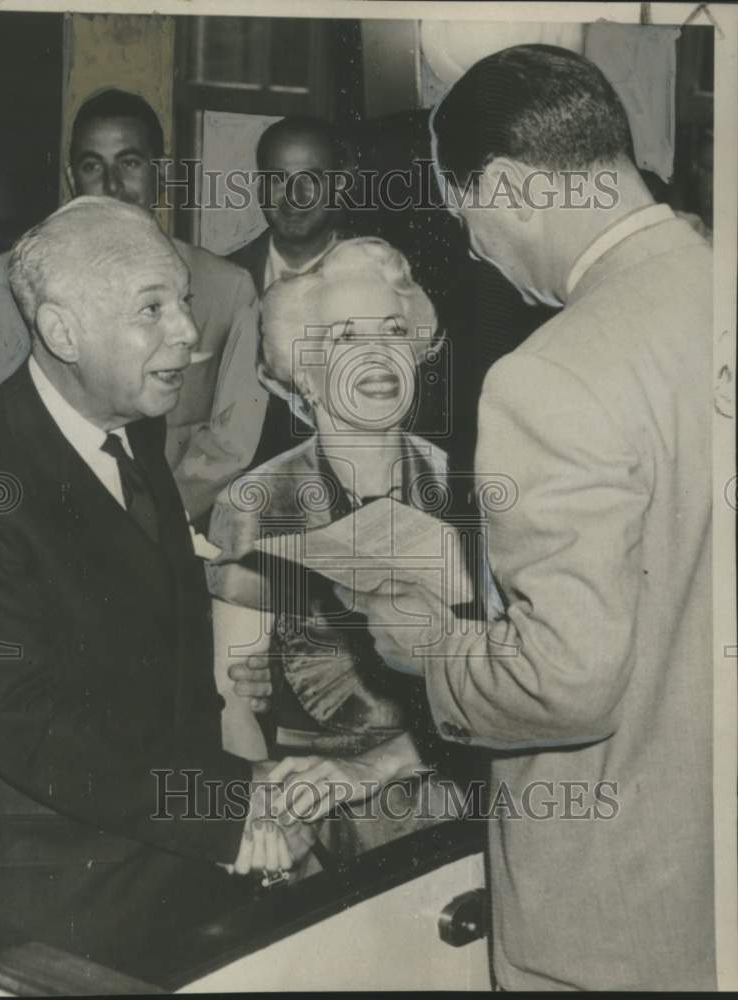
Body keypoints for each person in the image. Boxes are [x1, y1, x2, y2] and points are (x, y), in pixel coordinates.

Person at [302, 45, 713, 990]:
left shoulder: (551, 373)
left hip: (615, 912)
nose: (478, 253)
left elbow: (569, 682)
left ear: (514, 189)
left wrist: (426, 648)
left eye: (466, 217)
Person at [0, 197, 312, 983]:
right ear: (61, 332)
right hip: (62, 906)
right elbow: (25, 724)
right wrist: (223, 811)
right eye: (150, 310)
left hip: (170, 867)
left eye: (183, 301)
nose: (188, 334)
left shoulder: (132, 427)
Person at [208, 238, 469, 855]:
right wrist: (268, 814)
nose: (377, 357)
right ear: (305, 370)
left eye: (394, 332)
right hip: (317, 812)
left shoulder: (462, 485)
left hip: (453, 782)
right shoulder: (261, 503)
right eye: (346, 339)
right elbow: (233, 707)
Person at [0, 88, 267, 525]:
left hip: (170, 524)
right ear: (73, 178)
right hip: (45, 522)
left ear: (160, 174)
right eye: (93, 166)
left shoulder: (228, 287)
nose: (111, 185)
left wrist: (158, 514)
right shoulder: (9, 278)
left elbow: (233, 438)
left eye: (129, 163)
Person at [228, 116, 355, 466]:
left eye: (311, 180)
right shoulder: (222, 283)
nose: (294, 197)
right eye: (277, 180)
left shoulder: (379, 280)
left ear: (340, 184)